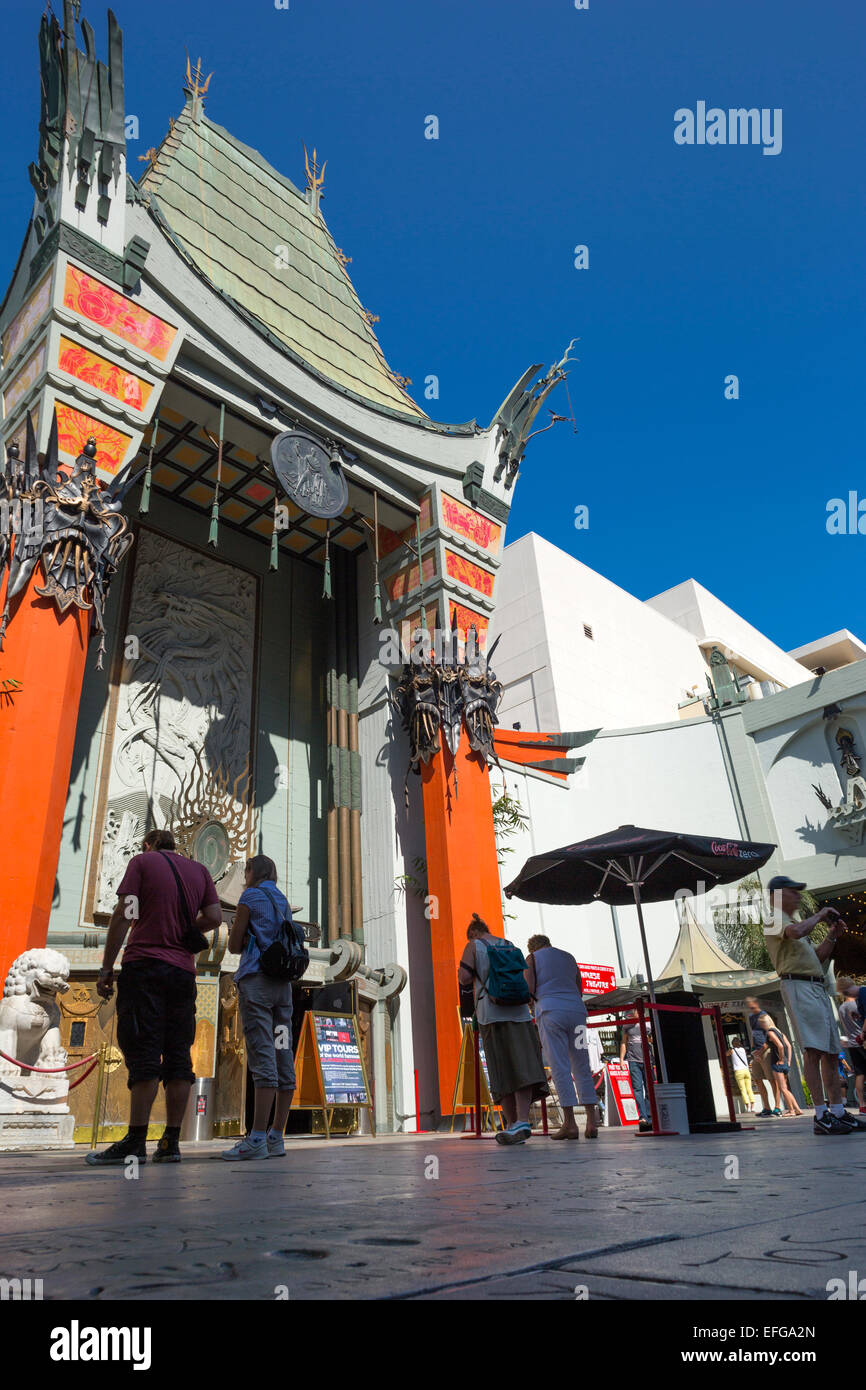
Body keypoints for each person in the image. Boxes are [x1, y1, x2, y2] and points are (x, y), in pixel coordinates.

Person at [86, 828, 222, 1166]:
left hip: (145, 966)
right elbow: (216, 918)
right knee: (178, 1056)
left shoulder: (142, 863)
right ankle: (171, 1143)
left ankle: (135, 1141)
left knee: (144, 1050)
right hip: (182, 974)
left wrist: (106, 968)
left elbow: (125, 913)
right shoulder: (200, 872)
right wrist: (185, 928)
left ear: (148, 844)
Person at [763, 875, 866, 1136]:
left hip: (813, 984)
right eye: (793, 891)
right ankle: (821, 1115)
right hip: (797, 985)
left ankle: (838, 1112)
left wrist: (832, 936)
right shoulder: (775, 918)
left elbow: (817, 958)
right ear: (777, 895)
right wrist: (821, 915)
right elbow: (796, 933)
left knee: (831, 1052)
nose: (798, 896)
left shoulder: (795, 923)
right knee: (813, 1050)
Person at [222, 856, 296, 1160]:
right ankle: (276, 1136)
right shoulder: (283, 900)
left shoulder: (250, 896)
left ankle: (255, 1139)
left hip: (258, 984)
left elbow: (234, 945)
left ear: (254, 873)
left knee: (262, 1055)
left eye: (247, 871)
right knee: (282, 1053)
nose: (244, 876)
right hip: (283, 988)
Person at [457, 914, 547, 1146]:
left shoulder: (474, 945)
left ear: (473, 934)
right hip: (519, 1013)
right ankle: (522, 1121)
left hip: (491, 1013)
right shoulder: (509, 945)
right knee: (522, 1064)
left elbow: (465, 978)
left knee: (501, 1069)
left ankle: (511, 1122)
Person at [524, 934, 600, 1140]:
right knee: (582, 1064)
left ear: (532, 948)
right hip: (576, 1012)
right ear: (548, 943)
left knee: (560, 1066)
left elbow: (529, 989)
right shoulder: (569, 957)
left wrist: (532, 1006)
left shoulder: (532, 959)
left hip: (551, 1012)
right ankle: (592, 1122)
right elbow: (579, 988)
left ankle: (570, 1123)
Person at [758, 1012, 802, 1117]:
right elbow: (789, 1046)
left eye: (761, 1024)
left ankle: (791, 1110)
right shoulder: (779, 1031)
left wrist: (781, 1059)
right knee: (785, 1088)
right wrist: (788, 1060)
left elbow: (781, 1046)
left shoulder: (770, 1033)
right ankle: (797, 1109)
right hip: (785, 1063)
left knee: (783, 1088)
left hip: (777, 1063)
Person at [618, 1011, 653, 1131]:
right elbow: (624, 1042)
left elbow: (653, 1040)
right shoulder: (627, 1025)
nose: (631, 1013)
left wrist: (649, 1038)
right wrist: (622, 1060)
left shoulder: (648, 1023)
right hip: (633, 1060)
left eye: (634, 1011)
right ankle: (643, 1116)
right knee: (637, 1089)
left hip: (647, 1060)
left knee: (650, 1088)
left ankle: (649, 1115)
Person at [836, 978, 866, 1113]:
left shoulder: (841, 1008)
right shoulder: (857, 1003)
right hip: (862, 1039)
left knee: (860, 1074)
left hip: (852, 1043)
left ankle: (862, 1105)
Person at [745, 997, 776, 1116]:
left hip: (766, 1050)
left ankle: (777, 1106)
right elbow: (753, 1034)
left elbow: (772, 1032)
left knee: (771, 1080)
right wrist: (753, 1051)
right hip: (756, 1051)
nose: (750, 1007)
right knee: (757, 1079)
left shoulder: (765, 1016)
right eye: (748, 1005)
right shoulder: (751, 1017)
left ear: (757, 1004)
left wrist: (764, 1048)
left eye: (752, 1005)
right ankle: (766, 1107)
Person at [728, 1035, 756, 1113]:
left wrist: (730, 1048)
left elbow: (726, 1054)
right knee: (749, 1089)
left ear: (733, 1044)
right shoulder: (743, 1050)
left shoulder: (732, 1050)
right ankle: (753, 1106)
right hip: (746, 1070)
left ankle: (748, 1107)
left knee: (743, 1090)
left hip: (738, 1071)